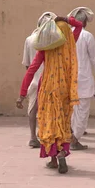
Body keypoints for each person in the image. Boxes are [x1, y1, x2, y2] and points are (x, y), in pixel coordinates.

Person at [17, 14, 82, 174]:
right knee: (63, 120)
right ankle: (61, 153)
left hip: (47, 88)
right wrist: (67, 19)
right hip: (65, 89)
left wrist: (22, 94)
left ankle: (54, 158)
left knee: (49, 121)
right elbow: (79, 25)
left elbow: (31, 70)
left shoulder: (45, 48)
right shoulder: (69, 42)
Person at [69, 7, 95, 150]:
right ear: (84, 23)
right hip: (83, 80)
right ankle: (74, 139)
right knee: (82, 111)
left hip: (69, 79)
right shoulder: (87, 36)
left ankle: (72, 136)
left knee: (73, 110)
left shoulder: (66, 34)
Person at [21, 15, 49, 149]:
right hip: (49, 80)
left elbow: (27, 65)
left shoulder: (29, 39)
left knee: (33, 108)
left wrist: (32, 77)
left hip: (34, 79)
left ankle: (33, 136)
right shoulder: (53, 40)